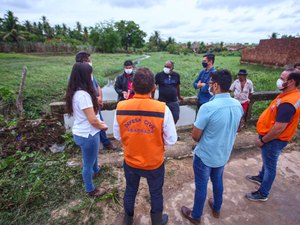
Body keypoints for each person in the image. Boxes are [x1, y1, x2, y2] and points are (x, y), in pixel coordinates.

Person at [113, 68, 177, 225]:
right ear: (153, 87)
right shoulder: (163, 109)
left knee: (130, 190)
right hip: (154, 162)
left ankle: (128, 220)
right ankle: (156, 221)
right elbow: (171, 140)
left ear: (132, 86)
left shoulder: (121, 107)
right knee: (156, 193)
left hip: (131, 161)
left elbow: (117, 136)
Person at [181, 69, 243, 224]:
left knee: (201, 187)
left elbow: (195, 136)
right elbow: (237, 126)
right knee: (218, 181)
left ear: (215, 86)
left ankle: (195, 216)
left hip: (206, 155)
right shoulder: (237, 105)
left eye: (209, 83)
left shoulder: (208, 107)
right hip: (223, 154)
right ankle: (216, 207)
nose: (208, 86)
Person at [245, 70, 300, 201]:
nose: (279, 80)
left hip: (274, 140)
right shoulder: (289, 95)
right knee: (267, 161)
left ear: (291, 82)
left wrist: (263, 140)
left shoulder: (289, 102)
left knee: (270, 166)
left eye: (282, 78)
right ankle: (260, 177)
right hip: (273, 138)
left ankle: (263, 193)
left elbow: (279, 128)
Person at [65, 63, 108, 197]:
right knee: (87, 163)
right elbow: (93, 120)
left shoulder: (76, 92)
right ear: (84, 76)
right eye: (89, 74)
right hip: (88, 134)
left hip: (82, 131)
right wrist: (103, 126)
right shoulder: (83, 95)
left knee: (92, 155)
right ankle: (90, 189)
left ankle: (96, 169)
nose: (91, 76)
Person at [75, 51, 117, 150]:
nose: (90, 62)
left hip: (95, 104)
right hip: (88, 106)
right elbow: (82, 93)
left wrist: (100, 97)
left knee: (99, 122)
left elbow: (97, 86)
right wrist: (94, 99)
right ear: (83, 62)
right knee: (95, 123)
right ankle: (101, 144)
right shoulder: (77, 77)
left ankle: (103, 143)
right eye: (88, 61)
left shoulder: (90, 74)